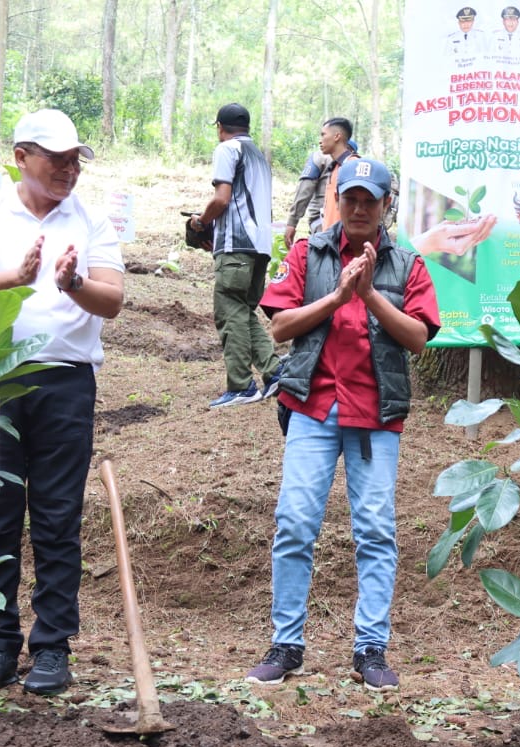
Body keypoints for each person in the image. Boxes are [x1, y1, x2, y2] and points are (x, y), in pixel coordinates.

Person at [0, 109, 125, 695]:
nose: (69, 170)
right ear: (21, 157)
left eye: (75, 161)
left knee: (57, 516)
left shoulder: (91, 218)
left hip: (65, 382)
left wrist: (72, 283)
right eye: (57, 160)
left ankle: (51, 646)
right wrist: (13, 279)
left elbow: (113, 299)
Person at [245, 158, 440, 691]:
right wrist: (337, 297)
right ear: (336, 200)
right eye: (349, 198)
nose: (358, 209)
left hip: (375, 414)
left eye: (369, 200)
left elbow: (419, 339)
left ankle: (370, 648)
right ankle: (286, 644)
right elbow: (280, 327)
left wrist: (371, 294)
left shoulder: (407, 264)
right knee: (294, 523)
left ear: (385, 205)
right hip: (313, 407)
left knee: (375, 530)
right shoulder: (307, 253)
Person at [188, 103, 282, 409]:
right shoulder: (259, 157)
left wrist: (201, 222)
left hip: (237, 243)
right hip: (261, 246)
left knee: (229, 311)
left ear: (220, 127)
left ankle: (241, 386)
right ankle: (274, 371)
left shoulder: (227, 149)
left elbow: (222, 199)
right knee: (241, 311)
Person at [283, 118, 360, 246]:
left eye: (323, 135)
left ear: (337, 136)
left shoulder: (352, 166)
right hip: (328, 233)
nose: (320, 140)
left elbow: (304, 190)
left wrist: (292, 222)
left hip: (339, 239)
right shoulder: (335, 166)